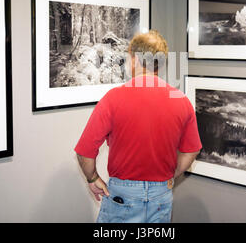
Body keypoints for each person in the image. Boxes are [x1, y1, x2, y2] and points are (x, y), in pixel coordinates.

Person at [74, 30, 202, 223]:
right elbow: (191, 151)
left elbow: (84, 152)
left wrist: (92, 179)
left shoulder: (113, 99)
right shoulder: (181, 100)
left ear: (134, 60)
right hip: (161, 196)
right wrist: (169, 176)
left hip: (122, 196)